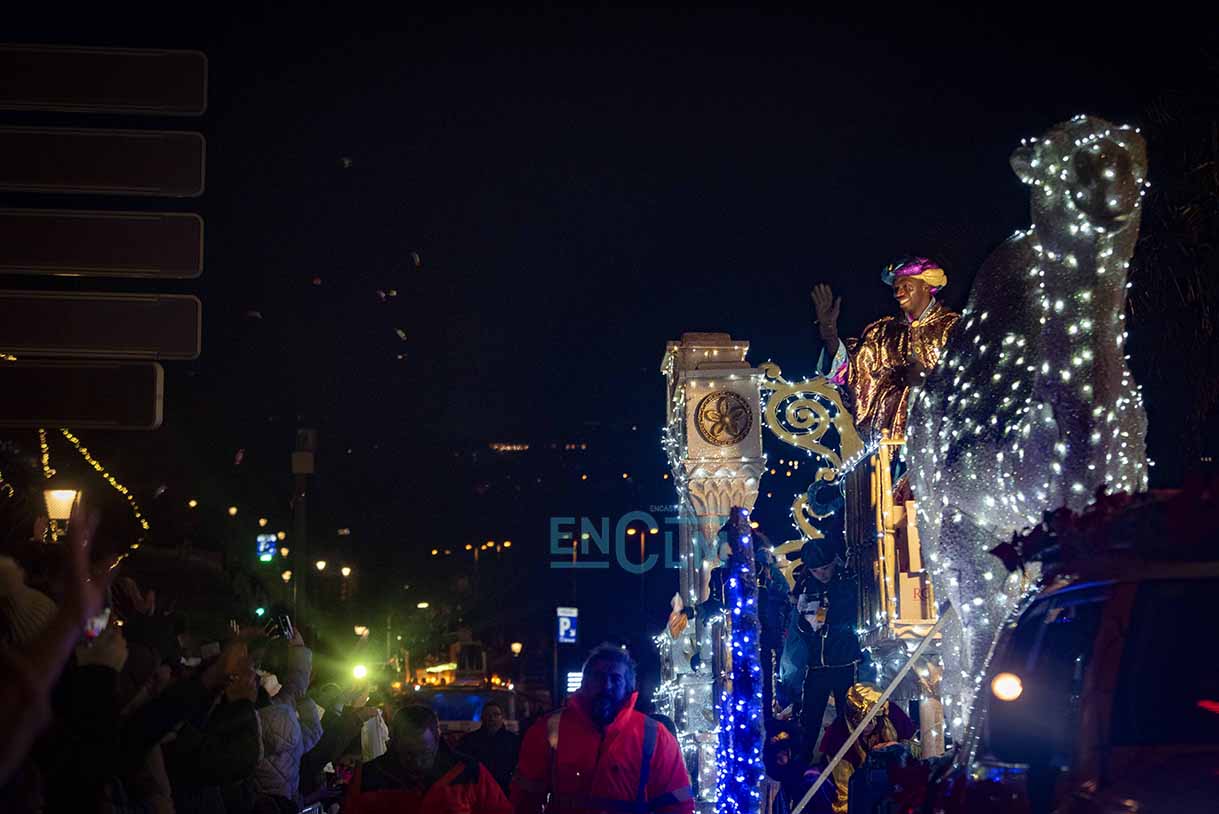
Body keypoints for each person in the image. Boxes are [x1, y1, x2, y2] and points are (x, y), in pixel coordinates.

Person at [511, 643, 694, 814]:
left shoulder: (655, 735)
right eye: (598, 677)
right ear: (584, 683)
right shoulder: (549, 729)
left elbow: (677, 804)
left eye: (615, 679)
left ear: (628, 687)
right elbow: (524, 801)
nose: (606, 686)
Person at [812, 256, 960, 441]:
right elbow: (851, 374)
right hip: (891, 446)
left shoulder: (954, 327)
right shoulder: (882, 332)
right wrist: (829, 333)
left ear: (926, 286)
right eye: (896, 288)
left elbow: (969, 379)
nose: (899, 293)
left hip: (943, 439)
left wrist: (928, 380)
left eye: (907, 286)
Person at [777, 539, 863, 757]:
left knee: (849, 719)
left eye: (825, 568)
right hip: (816, 666)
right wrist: (807, 619)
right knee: (809, 721)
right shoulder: (806, 587)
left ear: (833, 563)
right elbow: (801, 629)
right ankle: (801, 767)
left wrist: (828, 618)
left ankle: (849, 765)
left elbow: (849, 615)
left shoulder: (846, 582)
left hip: (844, 662)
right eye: (816, 570)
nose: (822, 574)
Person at [344, 704, 510, 814]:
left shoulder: (469, 773)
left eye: (425, 753)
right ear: (393, 743)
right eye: (408, 754)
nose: (417, 762)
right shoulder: (368, 777)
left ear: (438, 740)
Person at [251, 628, 323, 810]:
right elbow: (296, 687)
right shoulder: (286, 717)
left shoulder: (241, 724)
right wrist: (298, 647)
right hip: (288, 803)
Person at [816, 683, 915, 814]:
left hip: (891, 780)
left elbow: (913, 755)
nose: (866, 727)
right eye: (859, 721)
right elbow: (846, 790)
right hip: (855, 784)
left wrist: (895, 749)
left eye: (870, 722)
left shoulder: (893, 716)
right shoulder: (838, 737)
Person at [459, 701, 520, 795]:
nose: (492, 718)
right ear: (482, 718)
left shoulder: (513, 741)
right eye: (488, 715)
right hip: (478, 791)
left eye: (496, 714)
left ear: (502, 717)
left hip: (505, 790)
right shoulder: (469, 740)